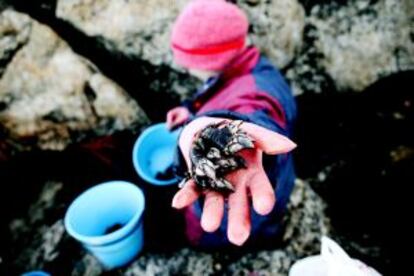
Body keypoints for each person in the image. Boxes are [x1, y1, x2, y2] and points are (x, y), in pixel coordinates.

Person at [166, 0, 297, 247]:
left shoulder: (259, 92)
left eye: (191, 63)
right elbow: (218, 94)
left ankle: (251, 244)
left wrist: (234, 131)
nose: (186, 68)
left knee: (238, 229)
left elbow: (258, 113)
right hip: (269, 184)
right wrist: (189, 112)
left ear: (214, 57)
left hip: (247, 201)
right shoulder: (243, 65)